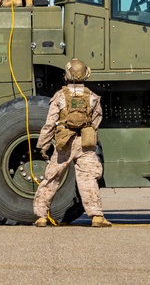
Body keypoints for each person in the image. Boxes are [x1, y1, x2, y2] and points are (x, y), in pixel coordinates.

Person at [33, 59, 111, 228]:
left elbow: (49, 123)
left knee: (52, 178)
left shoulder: (60, 96)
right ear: (86, 74)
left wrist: (43, 145)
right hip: (85, 143)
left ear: (66, 76)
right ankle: (96, 216)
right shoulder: (93, 97)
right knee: (89, 178)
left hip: (64, 143)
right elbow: (96, 121)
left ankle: (41, 216)